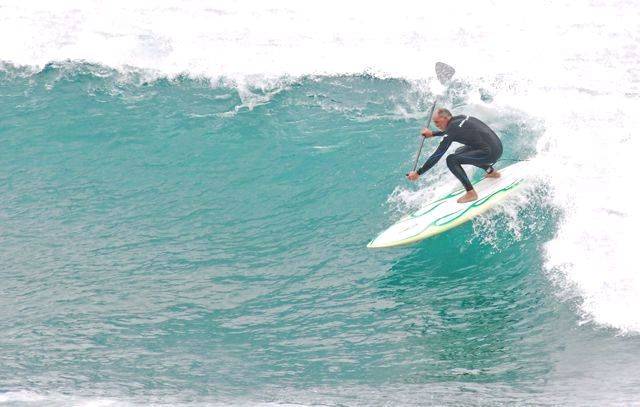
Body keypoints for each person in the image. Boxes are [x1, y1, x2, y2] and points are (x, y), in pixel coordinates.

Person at [406, 108, 503, 203]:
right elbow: (451, 131)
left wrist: (418, 173)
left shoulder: (452, 129)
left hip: (490, 154)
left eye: (437, 122)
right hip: (497, 147)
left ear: (445, 118)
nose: (436, 125)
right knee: (459, 152)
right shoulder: (460, 118)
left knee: (451, 159)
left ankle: (471, 193)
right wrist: (433, 133)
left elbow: (438, 154)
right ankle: (491, 172)